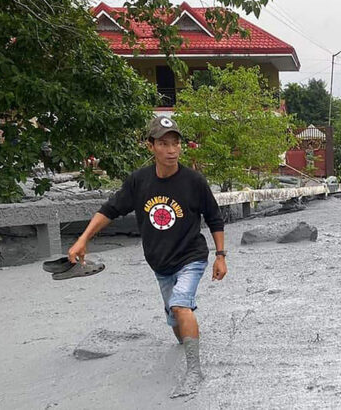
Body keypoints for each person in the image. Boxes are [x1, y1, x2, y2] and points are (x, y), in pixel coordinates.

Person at [67, 116, 227, 398]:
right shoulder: (138, 181)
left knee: (180, 305)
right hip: (160, 263)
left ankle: (194, 372)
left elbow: (215, 218)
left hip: (192, 255)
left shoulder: (194, 181)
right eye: (163, 143)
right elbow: (110, 210)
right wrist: (82, 239)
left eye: (175, 143)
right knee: (176, 322)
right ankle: (185, 332)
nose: (171, 150)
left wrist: (220, 255)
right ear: (150, 146)